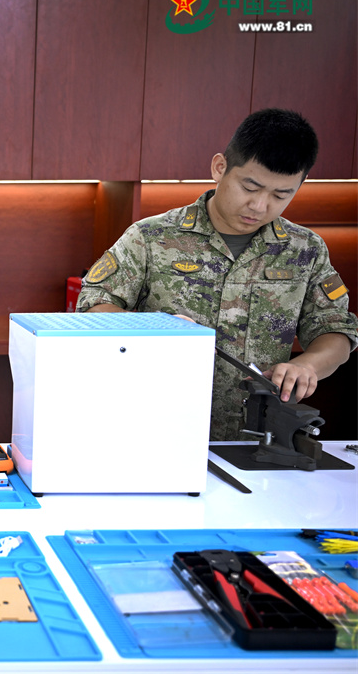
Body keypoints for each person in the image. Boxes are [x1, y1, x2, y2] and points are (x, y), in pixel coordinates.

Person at [78, 108, 357, 440]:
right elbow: (93, 306)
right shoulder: (151, 237)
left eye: (280, 195)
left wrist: (307, 365)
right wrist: (152, 328)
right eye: (250, 187)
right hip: (158, 428)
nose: (259, 206)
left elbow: (336, 330)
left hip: (257, 437)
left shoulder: (305, 249)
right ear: (220, 167)